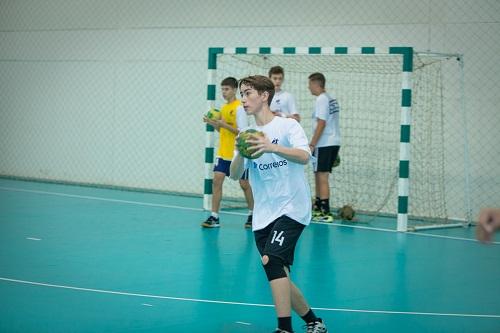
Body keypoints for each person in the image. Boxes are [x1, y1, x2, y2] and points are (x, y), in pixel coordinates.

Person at [230, 75, 328, 333]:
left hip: (292, 208)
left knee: (271, 260)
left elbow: (305, 156)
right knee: (278, 272)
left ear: (264, 95)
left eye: (248, 93)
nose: (244, 99)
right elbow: (233, 173)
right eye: (242, 94)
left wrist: (272, 148)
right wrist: (241, 151)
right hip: (264, 213)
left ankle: (284, 329)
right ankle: (314, 322)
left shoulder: (287, 127)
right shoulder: (246, 135)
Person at [202, 77, 253, 228]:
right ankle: (214, 216)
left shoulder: (239, 108)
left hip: (237, 153)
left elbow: (241, 132)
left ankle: (252, 214)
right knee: (216, 181)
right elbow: (221, 129)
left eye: (227, 89)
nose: (224, 92)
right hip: (223, 152)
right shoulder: (223, 108)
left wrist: (222, 124)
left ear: (234, 90)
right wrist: (213, 123)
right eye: (222, 89)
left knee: (244, 184)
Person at [308, 72, 341, 223]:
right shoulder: (330, 98)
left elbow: (321, 123)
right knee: (318, 174)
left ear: (316, 84)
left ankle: (325, 211)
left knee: (322, 176)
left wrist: (312, 143)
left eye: (310, 84)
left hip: (324, 142)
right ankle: (318, 207)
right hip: (333, 142)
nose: (309, 87)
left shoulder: (321, 99)